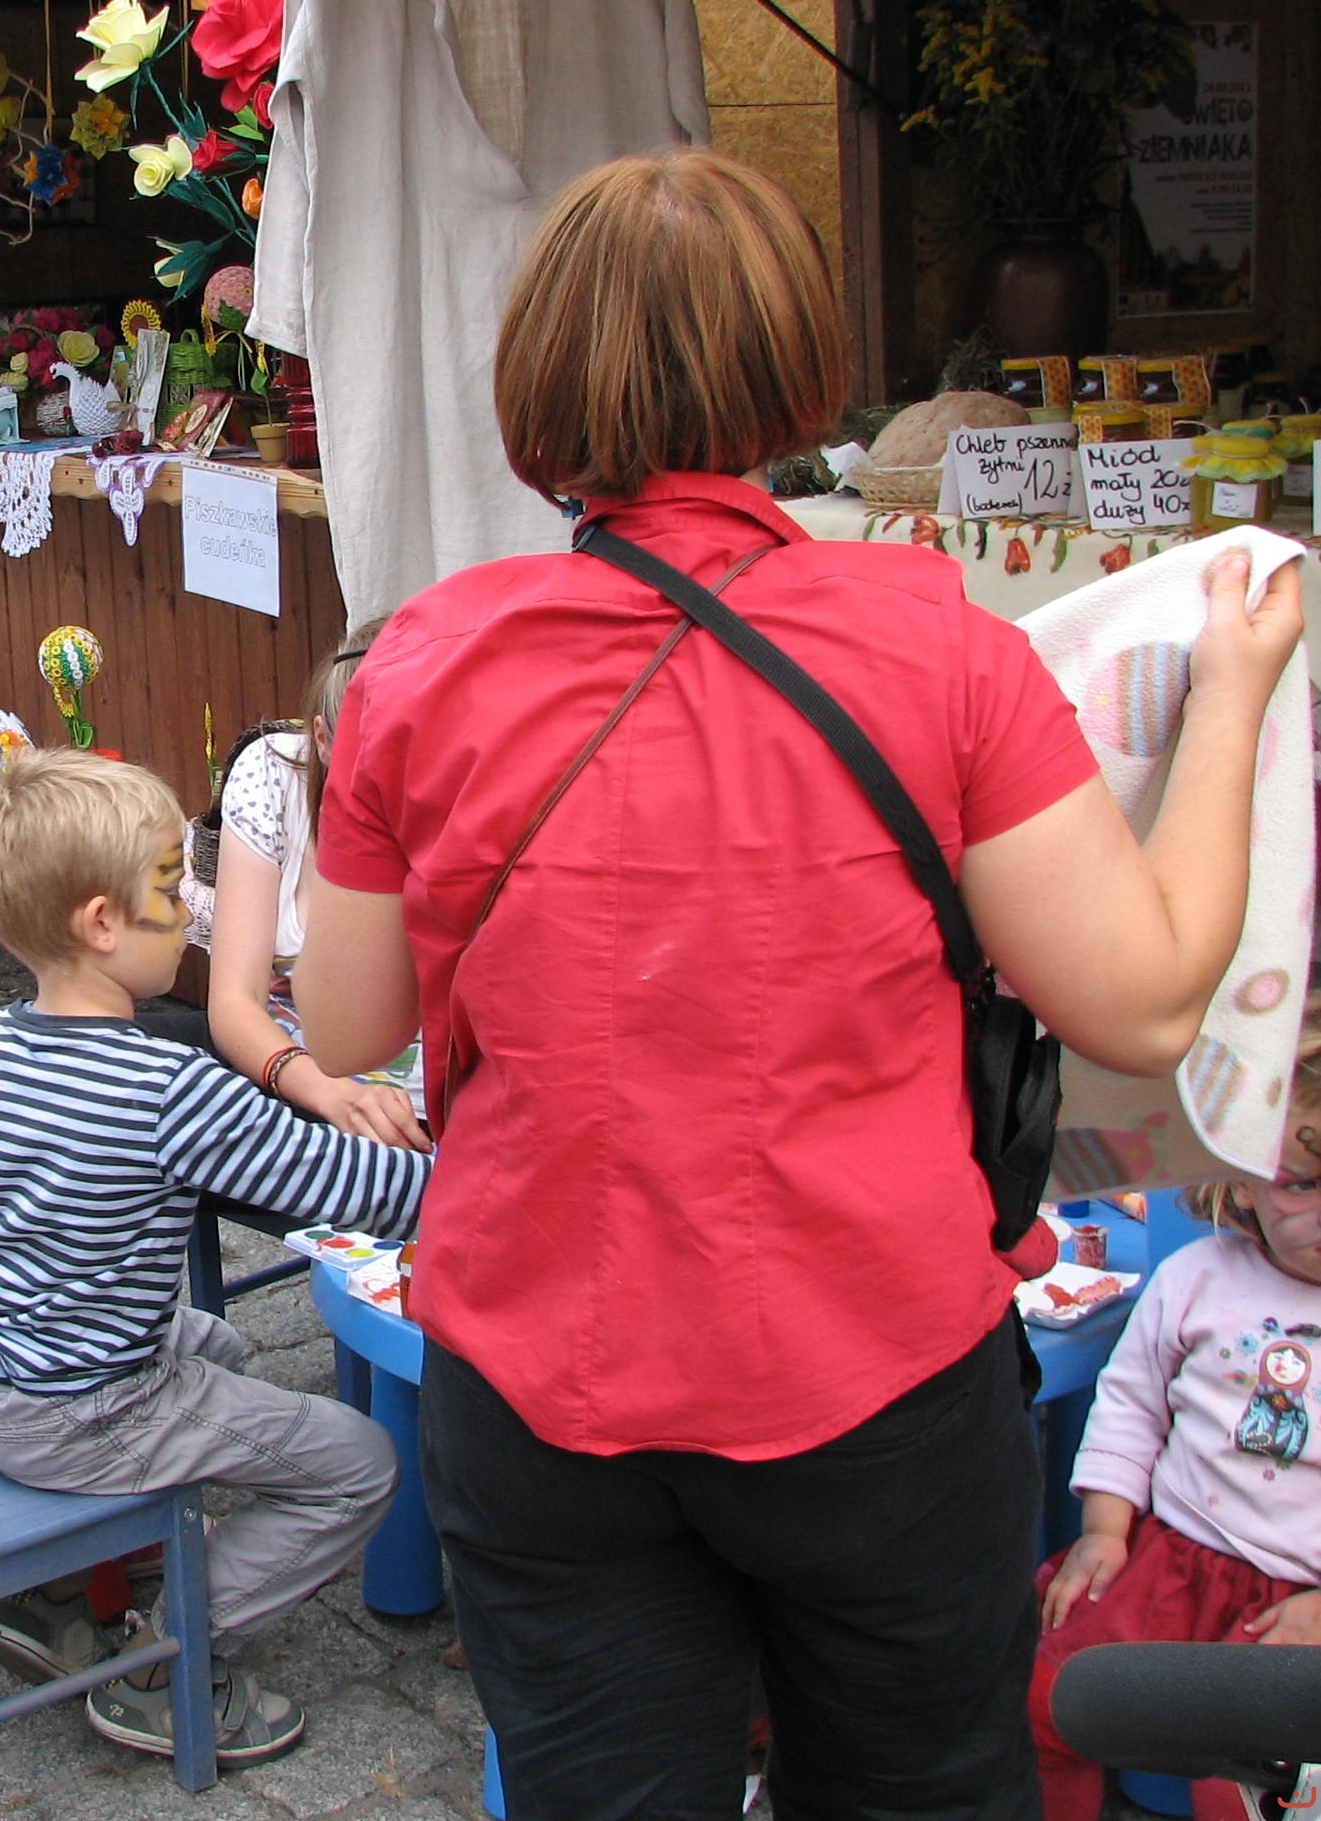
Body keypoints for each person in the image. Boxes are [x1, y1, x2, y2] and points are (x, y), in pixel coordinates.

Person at [292, 147, 1304, 1821]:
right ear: (796, 365)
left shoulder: (423, 657)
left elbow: (344, 1027)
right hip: (878, 1375)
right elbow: (1140, 1005)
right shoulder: (943, 646)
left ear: (534, 376)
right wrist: (1236, 699)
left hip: (541, 1378)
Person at [0, 750, 429, 1766]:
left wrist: (32, 1250)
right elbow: (351, 1189)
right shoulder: (170, 1088)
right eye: (174, 891)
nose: (190, 912)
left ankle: (62, 1592)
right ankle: (161, 1663)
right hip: (86, 1410)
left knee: (214, 1342)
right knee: (360, 1465)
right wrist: (478, 1180)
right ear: (102, 923)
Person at [1029, 1027, 1321, 1821]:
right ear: (1244, 1179)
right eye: (1303, 1182)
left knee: (1245, 1785)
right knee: (1050, 1701)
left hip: (1301, 1600)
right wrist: (1104, 1531)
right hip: (1174, 1561)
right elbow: (1130, 1405)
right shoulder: (1196, 1278)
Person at [205, 623, 425, 1146]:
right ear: (322, 739)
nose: (391, 788)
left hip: (425, 1113)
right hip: (297, 1084)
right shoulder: (274, 775)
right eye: (368, 762)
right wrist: (330, 1093)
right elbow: (235, 999)